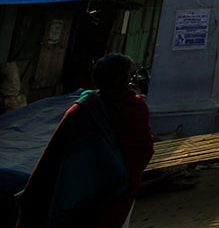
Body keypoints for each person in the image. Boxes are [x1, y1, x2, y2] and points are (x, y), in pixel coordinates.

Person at [16, 53, 154, 228]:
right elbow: (143, 151)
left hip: (74, 192)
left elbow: (52, 159)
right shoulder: (134, 108)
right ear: (125, 79)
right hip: (116, 192)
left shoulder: (80, 110)